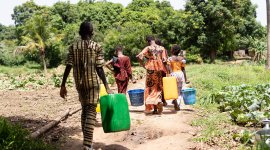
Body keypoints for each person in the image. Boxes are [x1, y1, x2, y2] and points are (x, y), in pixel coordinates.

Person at [60, 21, 112, 150]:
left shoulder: (73, 47)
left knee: (84, 110)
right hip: (93, 83)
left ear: (80, 32)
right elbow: (99, 68)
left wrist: (63, 85)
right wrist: (106, 85)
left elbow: (68, 65)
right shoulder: (96, 46)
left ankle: (86, 142)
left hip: (79, 83)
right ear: (91, 32)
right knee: (91, 111)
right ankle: (87, 145)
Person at [137, 36, 167, 114]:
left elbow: (139, 56)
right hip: (159, 69)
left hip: (150, 69)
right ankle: (158, 101)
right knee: (158, 86)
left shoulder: (148, 48)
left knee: (150, 86)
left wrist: (142, 64)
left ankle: (153, 106)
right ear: (154, 40)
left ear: (148, 41)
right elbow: (164, 59)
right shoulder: (162, 48)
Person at [167, 45, 186, 111]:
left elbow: (169, 68)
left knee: (173, 89)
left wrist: (170, 74)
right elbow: (183, 69)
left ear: (172, 50)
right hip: (180, 73)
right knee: (180, 90)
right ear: (178, 51)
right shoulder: (182, 59)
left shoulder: (170, 58)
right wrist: (186, 78)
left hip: (173, 73)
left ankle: (174, 99)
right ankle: (178, 103)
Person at [155, 38, 168, 107]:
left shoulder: (152, 49)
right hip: (162, 69)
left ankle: (157, 100)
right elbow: (164, 60)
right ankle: (163, 100)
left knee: (156, 85)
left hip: (154, 69)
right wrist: (168, 70)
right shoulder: (163, 49)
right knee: (162, 84)